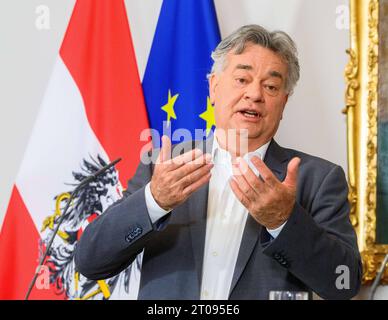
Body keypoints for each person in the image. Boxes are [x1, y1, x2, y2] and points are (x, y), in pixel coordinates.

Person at [75, 24, 362, 299]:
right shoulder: (164, 167)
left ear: (284, 102)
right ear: (214, 88)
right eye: (242, 79)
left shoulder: (317, 179)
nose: (255, 94)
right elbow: (90, 260)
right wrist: (154, 201)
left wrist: (284, 222)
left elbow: (343, 283)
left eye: (271, 86)